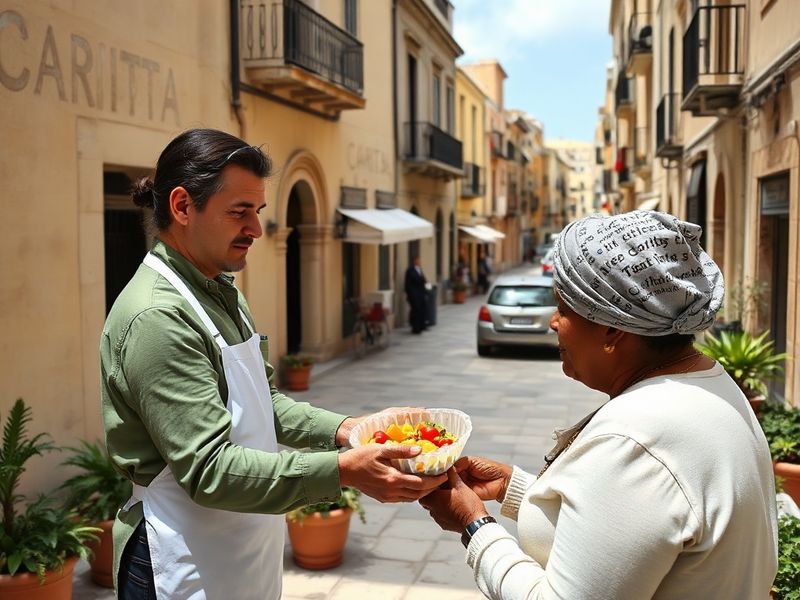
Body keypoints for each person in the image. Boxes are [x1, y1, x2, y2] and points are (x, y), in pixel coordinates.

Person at [100, 129, 446, 600]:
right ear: (182, 207)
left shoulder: (223, 291)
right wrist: (344, 470)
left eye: (258, 212)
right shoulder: (158, 316)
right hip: (181, 560)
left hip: (242, 549)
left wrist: (351, 428)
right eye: (239, 212)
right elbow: (210, 470)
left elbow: (265, 402)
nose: (256, 230)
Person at [420, 210, 778, 599]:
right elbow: (627, 526)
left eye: (563, 308)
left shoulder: (637, 439)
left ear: (610, 328)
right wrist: (516, 488)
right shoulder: (705, 385)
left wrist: (473, 525)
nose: (553, 323)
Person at [404, 255, 428, 334]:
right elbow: (407, 284)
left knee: (422, 309)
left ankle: (422, 326)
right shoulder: (410, 270)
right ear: (414, 261)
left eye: (419, 260)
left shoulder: (420, 269)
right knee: (415, 310)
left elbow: (423, 280)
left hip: (421, 293)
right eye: (418, 260)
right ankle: (415, 328)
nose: (419, 261)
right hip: (414, 294)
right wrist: (409, 293)